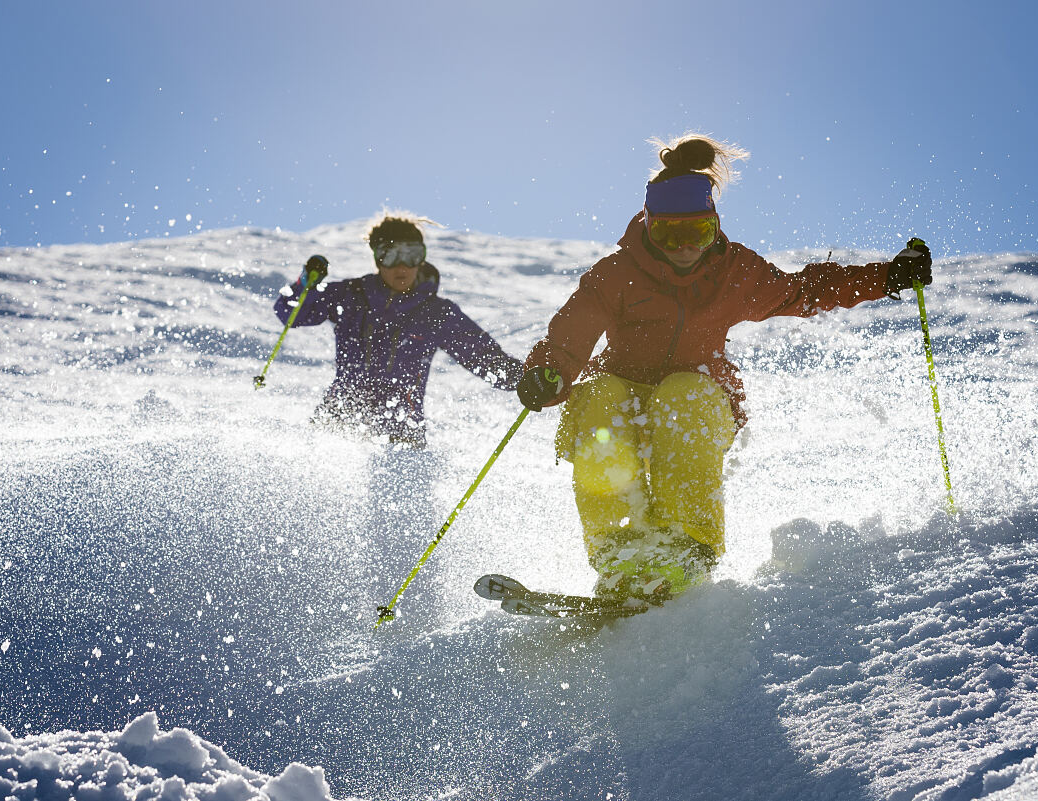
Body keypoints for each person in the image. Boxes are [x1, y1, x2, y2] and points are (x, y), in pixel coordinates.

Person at [515, 134, 933, 602]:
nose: (684, 247)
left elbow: (803, 291)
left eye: (697, 233)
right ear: (648, 227)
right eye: (669, 234)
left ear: (714, 227)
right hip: (622, 397)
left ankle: (686, 548)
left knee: (681, 392)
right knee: (596, 396)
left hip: (696, 402)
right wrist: (547, 375)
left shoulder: (733, 273)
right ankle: (619, 553)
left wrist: (887, 276)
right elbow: (569, 339)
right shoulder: (617, 273)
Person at [274, 214, 524, 449]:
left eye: (412, 254)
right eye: (390, 255)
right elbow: (290, 315)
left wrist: (524, 379)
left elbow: (481, 355)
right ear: (377, 258)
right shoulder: (352, 295)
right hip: (340, 417)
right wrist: (305, 284)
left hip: (401, 431)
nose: (402, 265)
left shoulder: (435, 312)